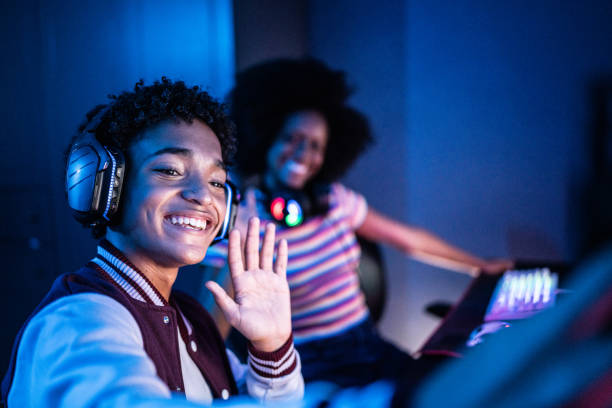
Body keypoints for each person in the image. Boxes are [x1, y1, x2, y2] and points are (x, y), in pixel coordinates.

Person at [202, 58, 513, 387]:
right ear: (267, 138)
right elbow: (211, 323)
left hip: (369, 345)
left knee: (446, 391)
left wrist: (479, 265)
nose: (303, 154)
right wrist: (241, 237)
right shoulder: (239, 219)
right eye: (292, 138)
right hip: (307, 364)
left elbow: (408, 239)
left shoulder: (334, 200)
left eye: (315, 145)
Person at [1, 78, 303, 406]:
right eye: (170, 171)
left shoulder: (191, 318)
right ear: (104, 187)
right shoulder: (77, 320)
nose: (203, 196)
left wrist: (272, 347)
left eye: (216, 182)